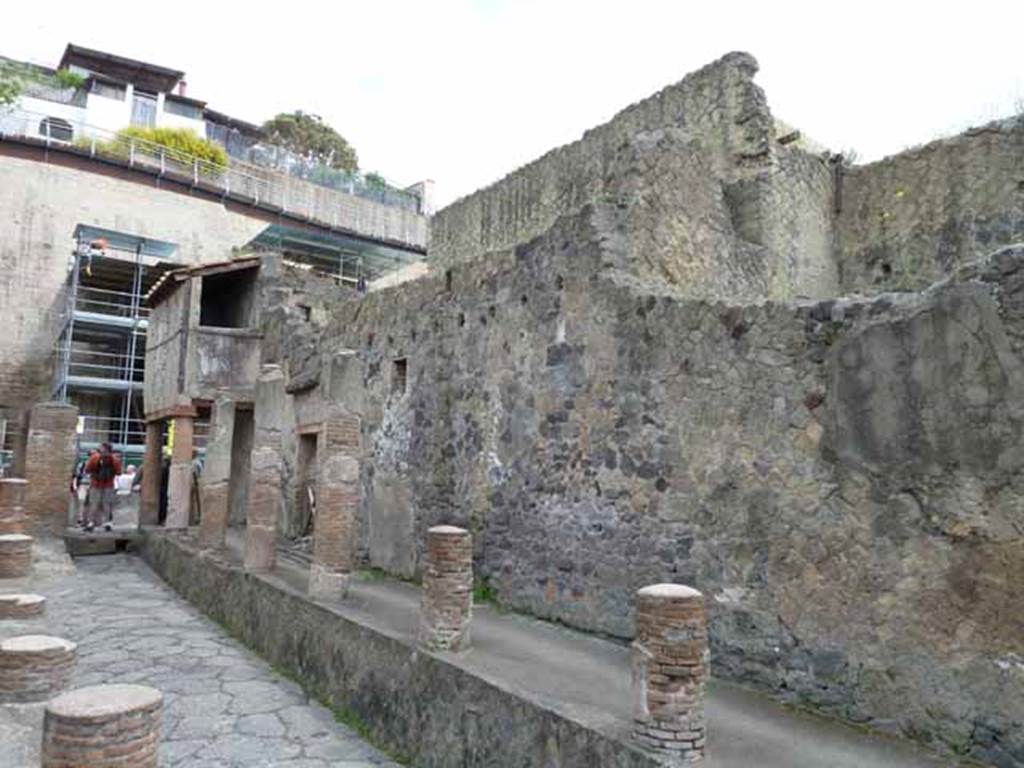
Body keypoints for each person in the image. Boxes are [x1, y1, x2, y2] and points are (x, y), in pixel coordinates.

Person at [83, 443, 121, 532]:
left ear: (103, 448)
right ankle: (107, 523)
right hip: (109, 484)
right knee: (107, 504)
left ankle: (91, 523)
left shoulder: (94, 457)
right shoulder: (115, 459)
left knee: (94, 504)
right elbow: (119, 472)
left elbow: (87, 469)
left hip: (95, 484)